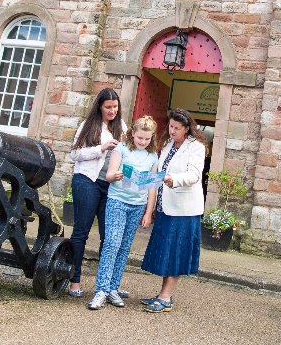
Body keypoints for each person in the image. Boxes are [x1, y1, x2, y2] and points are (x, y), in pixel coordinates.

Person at [87, 116, 158, 310]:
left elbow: (152, 187)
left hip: (137, 205)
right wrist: (116, 175)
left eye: (147, 139)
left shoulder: (153, 157)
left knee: (124, 247)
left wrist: (148, 212)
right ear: (132, 133)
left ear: (152, 138)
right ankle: (101, 290)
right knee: (111, 243)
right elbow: (109, 174)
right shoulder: (121, 150)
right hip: (117, 201)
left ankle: (113, 288)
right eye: (139, 138)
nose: (143, 142)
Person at [140, 108, 207, 313]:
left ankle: (166, 298)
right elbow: (160, 172)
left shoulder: (197, 147)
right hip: (165, 207)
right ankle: (162, 294)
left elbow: (194, 175)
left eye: (177, 128)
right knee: (166, 253)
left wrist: (173, 180)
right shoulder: (168, 144)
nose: (172, 131)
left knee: (176, 254)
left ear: (187, 129)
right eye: (170, 126)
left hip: (184, 211)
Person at [68, 88, 127, 298]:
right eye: (108, 107)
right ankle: (74, 281)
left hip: (110, 186)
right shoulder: (88, 125)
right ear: (100, 107)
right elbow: (74, 154)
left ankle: (105, 285)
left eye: (115, 107)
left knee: (108, 236)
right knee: (81, 231)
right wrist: (100, 148)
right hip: (87, 181)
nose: (112, 111)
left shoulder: (122, 128)